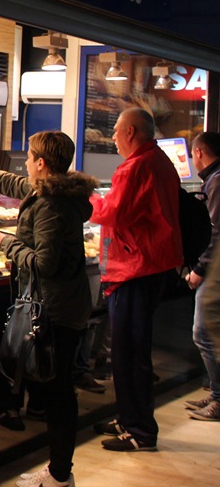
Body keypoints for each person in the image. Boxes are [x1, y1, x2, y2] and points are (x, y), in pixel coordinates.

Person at [0, 131, 98, 487]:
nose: (25, 162)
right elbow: (11, 182)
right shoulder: (55, 191)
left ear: (41, 163)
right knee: (57, 388)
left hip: (56, 310)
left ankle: (59, 474)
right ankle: (58, 470)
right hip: (63, 304)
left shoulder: (51, 205)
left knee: (59, 392)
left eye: (28, 157)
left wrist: (5, 242)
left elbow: (44, 264)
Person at [90, 108, 184, 451]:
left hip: (134, 270)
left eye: (116, 131)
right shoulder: (158, 160)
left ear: (131, 132)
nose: (113, 137)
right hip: (151, 266)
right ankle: (129, 417)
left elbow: (113, 213)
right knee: (131, 350)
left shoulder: (136, 167)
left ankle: (139, 431)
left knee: (129, 353)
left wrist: (87, 195)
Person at [184, 131, 220, 420]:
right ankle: (216, 391)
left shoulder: (216, 181)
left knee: (204, 333)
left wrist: (199, 268)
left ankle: (219, 398)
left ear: (198, 153)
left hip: (215, 270)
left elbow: (216, 232)